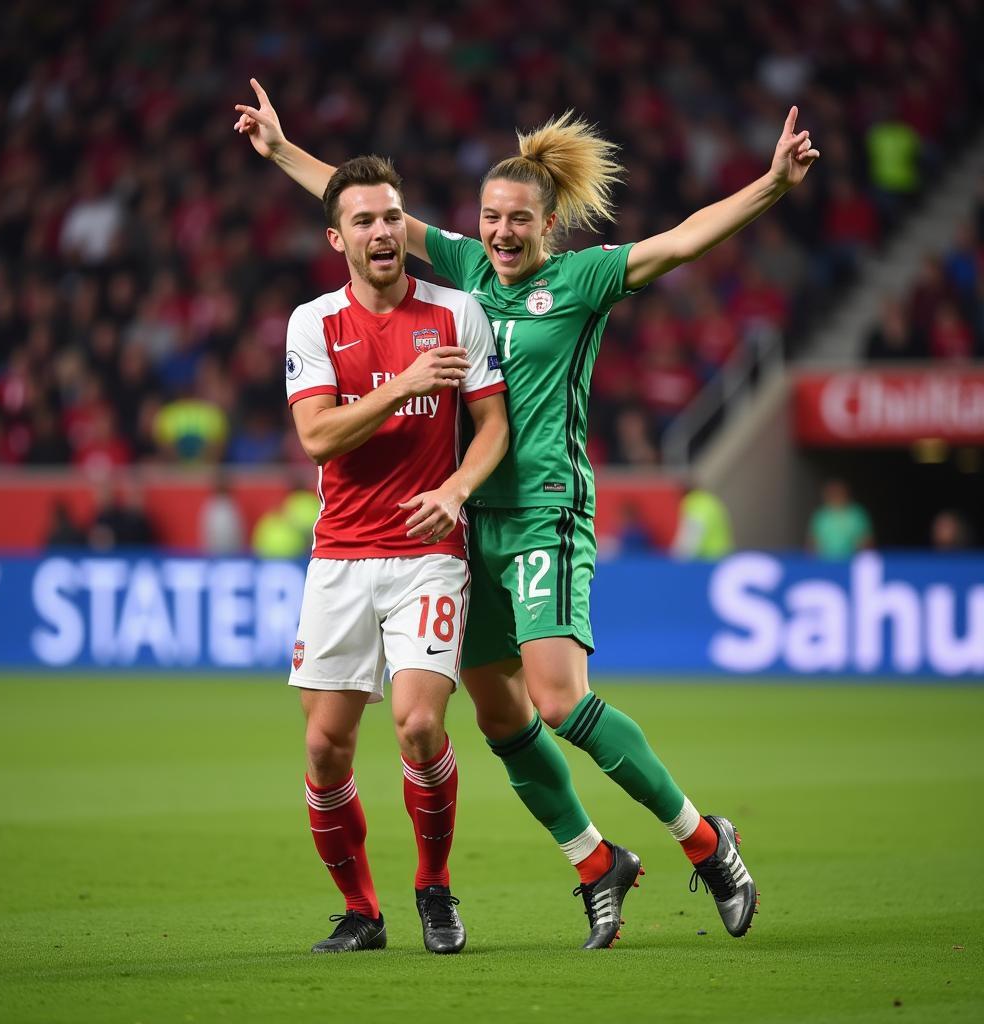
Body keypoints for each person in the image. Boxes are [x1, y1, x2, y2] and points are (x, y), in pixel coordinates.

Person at [236, 80, 819, 945]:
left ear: (549, 226)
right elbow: (367, 214)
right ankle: (595, 864)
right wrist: (282, 149)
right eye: (490, 217)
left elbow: (685, 239)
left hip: (546, 510)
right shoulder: (465, 268)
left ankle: (705, 839)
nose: (502, 234)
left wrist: (770, 186)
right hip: (465, 531)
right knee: (502, 719)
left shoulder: (584, 280)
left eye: (519, 220)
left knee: (557, 703)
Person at [282, 155, 508, 954]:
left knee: (418, 726)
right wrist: (401, 383)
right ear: (335, 236)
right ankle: (360, 909)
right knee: (322, 746)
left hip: (427, 552)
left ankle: (435, 889)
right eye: (364, 221)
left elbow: (493, 429)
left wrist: (455, 490)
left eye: (391, 217)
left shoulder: (456, 313)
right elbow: (317, 435)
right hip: (340, 555)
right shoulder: (314, 323)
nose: (382, 233)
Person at [807, 479, 874, 560]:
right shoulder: (821, 515)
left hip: (851, 562)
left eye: (838, 492)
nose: (835, 496)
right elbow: (813, 542)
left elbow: (866, 541)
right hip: (825, 564)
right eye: (831, 493)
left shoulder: (857, 514)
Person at [671, 480, 734, 560]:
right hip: (722, 556)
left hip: (708, 561)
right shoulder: (709, 500)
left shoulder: (695, 503)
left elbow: (692, 536)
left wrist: (676, 559)